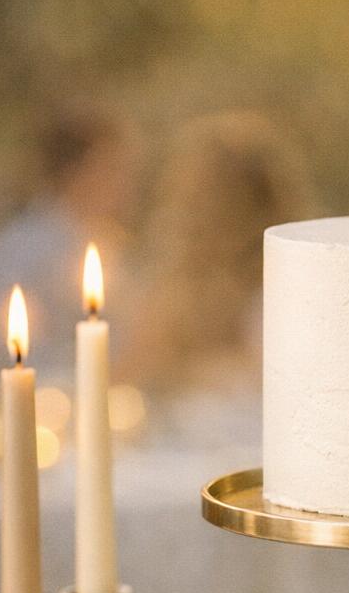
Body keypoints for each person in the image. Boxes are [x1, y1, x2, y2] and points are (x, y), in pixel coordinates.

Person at [122, 111, 311, 405]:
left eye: (198, 198)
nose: (180, 209)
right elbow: (130, 374)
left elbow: (272, 388)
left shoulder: (281, 294)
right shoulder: (171, 285)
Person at [0, 107, 140, 380]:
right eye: (112, 168)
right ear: (76, 171)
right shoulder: (23, 249)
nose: (125, 183)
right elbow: (11, 352)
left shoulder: (105, 242)